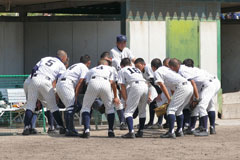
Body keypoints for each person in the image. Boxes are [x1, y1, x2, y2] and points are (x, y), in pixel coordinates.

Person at [22, 50, 68, 135]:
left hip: (34, 78)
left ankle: (26, 128)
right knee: (53, 107)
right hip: (46, 81)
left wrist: (33, 81)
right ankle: (61, 127)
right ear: (64, 58)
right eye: (66, 58)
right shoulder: (61, 65)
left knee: (30, 105)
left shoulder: (45, 58)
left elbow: (34, 69)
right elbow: (60, 80)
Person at [151, 58, 193, 139]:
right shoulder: (166, 69)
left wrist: (169, 98)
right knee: (178, 110)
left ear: (153, 67)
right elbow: (172, 86)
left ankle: (171, 132)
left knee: (170, 110)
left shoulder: (157, 72)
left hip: (182, 87)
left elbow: (162, 86)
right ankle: (179, 130)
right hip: (188, 86)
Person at [80, 59, 120, 138]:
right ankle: (111, 131)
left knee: (86, 108)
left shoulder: (91, 70)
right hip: (106, 82)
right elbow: (113, 83)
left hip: (93, 82)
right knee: (110, 109)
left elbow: (87, 84)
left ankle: (87, 130)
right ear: (106, 64)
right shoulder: (110, 68)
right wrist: (115, 96)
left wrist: (93, 96)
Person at [56, 55, 91, 136]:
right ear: (89, 63)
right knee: (71, 107)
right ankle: (70, 130)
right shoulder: (84, 68)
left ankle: (68, 129)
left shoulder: (75, 65)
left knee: (76, 106)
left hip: (60, 83)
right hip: (67, 83)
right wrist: (76, 95)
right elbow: (80, 82)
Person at [118, 58, 148, 138]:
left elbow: (122, 86)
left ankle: (131, 132)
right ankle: (140, 131)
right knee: (142, 110)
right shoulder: (136, 69)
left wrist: (125, 100)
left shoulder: (122, 70)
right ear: (130, 64)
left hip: (136, 86)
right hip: (145, 85)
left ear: (121, 65)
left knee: (128, 112)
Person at [100, 52, 127, 130]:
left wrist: (118, 91)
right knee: (106, 106)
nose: (105, 62)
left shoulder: (113, 68)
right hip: (102, 88)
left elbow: (115, 81)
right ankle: (113, 123)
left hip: (112, 87)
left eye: (106, 60)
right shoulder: (100, 67)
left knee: (118, 104)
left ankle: (122, 122)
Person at [134, 58, 162, 129]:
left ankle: (159, 122)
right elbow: (149, 83)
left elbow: (152, 81)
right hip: (152, 86)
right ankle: (152, 122)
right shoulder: (139, 72)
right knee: (152, 104)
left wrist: (159, 93)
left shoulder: (147, 68)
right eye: (136, 67)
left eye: (138, 66)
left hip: (157, 86)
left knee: (157, 103)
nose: (137, 68)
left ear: (143, 64)